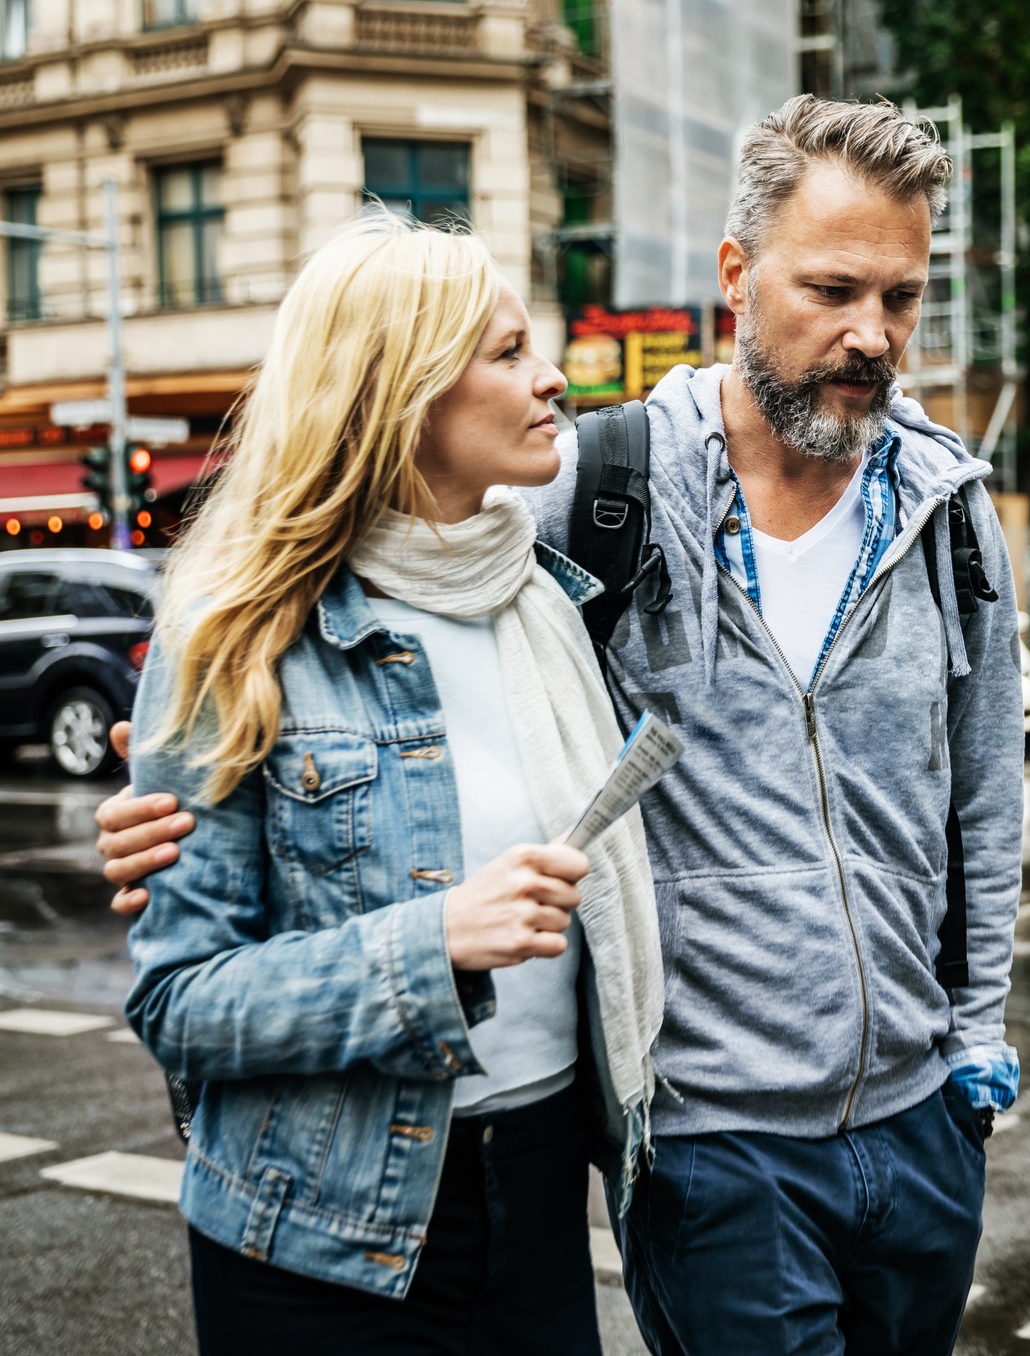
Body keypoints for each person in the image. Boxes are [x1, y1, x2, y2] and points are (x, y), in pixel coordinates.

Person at [99, 96, 1025, 1356]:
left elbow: (983, 802)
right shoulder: (582, 502)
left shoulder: (547, 587)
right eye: (832, 289)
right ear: (737, 277)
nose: (872, 334)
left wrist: (972, 1048)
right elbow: (197, 970)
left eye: (902, 298)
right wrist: (189, 802)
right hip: (618, 1162)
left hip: (678, 1163)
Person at [118, 212, 663, 1355]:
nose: (553, 377)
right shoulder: (239, 633)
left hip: (541, 1194)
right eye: (507, 353)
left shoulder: (545, 599)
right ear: (402, 393)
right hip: (317, 1236)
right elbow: (180, 1004)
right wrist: (435, 941)